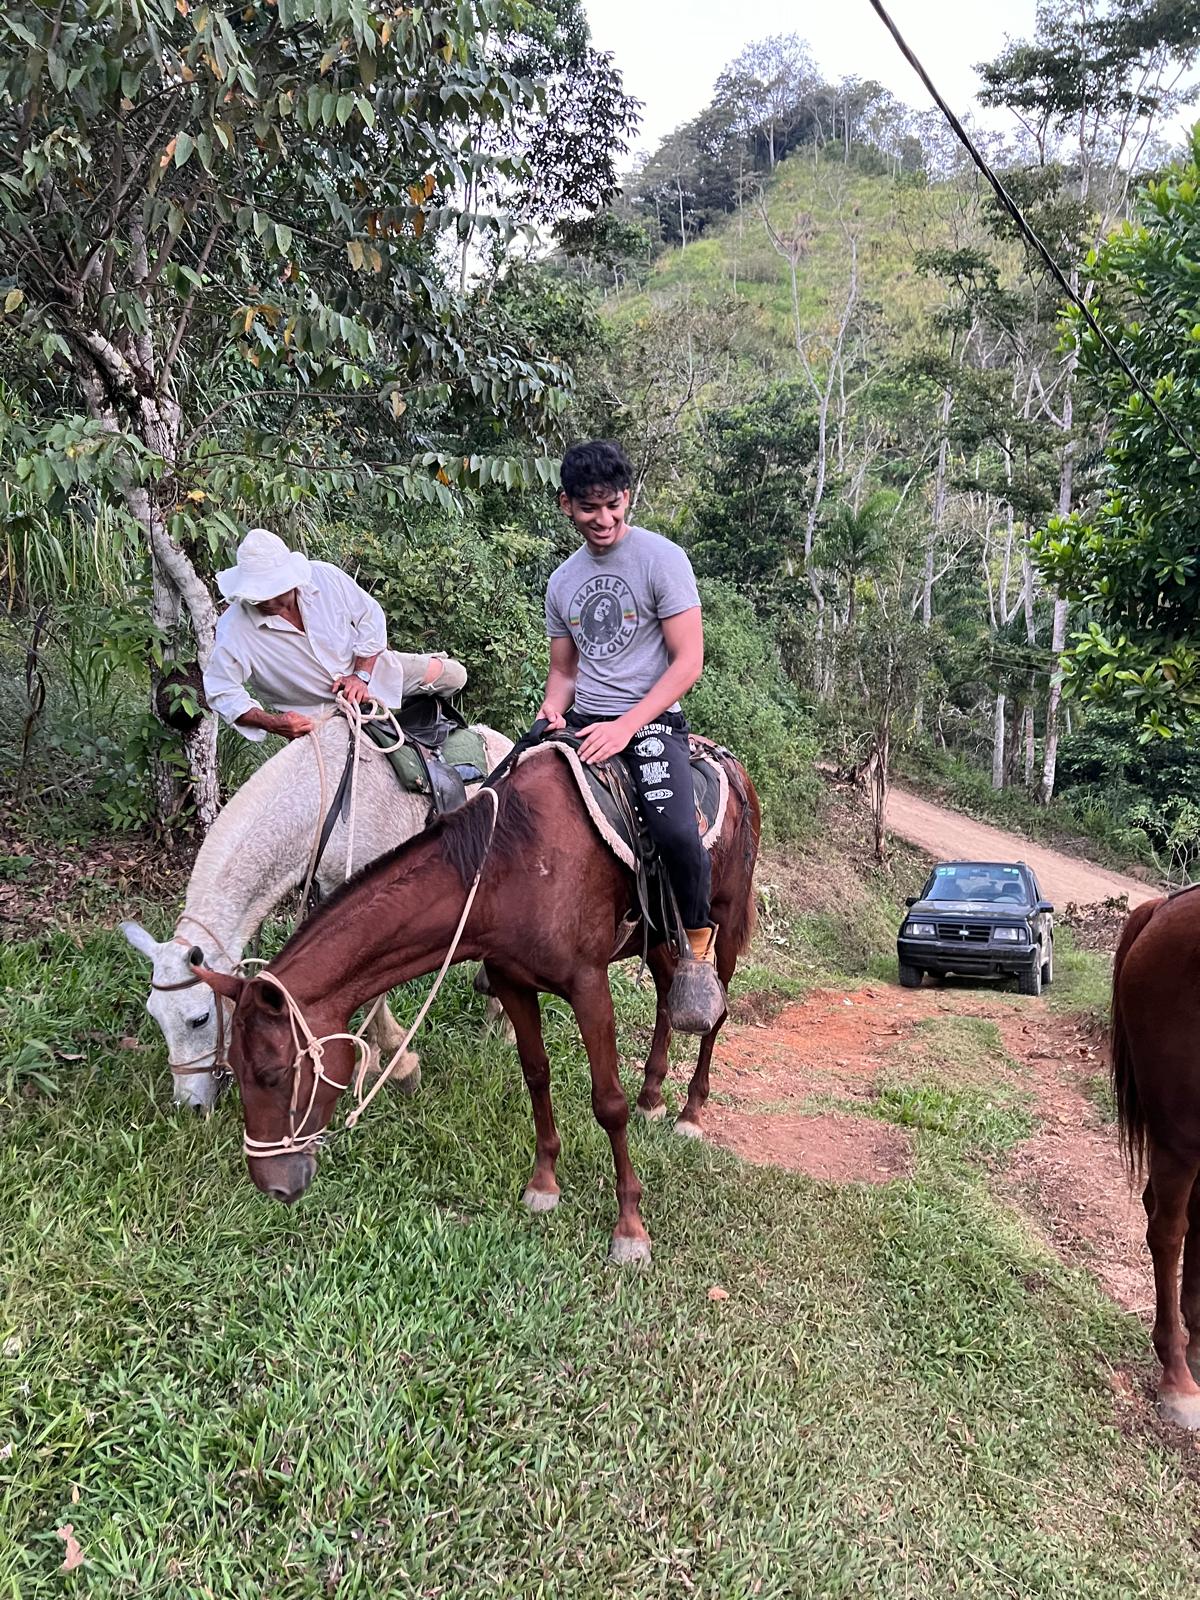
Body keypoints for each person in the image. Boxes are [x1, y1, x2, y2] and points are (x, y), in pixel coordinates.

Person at [538, 439, 723, 1030]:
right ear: (567, 505)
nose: (605, 520)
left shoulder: (661, 560)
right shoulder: (563, 583)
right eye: (590, 507)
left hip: (649, 724)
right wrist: (549, 714)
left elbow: (687, 660)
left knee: (673, 828)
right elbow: (564, 672)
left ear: (628, 497)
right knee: (513, 802)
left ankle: (696, 949)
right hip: (587, 722)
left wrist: (625, 727)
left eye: (614, 505)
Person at [203, 528, 466, 742]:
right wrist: (273, 723)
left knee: (454, 675)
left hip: (373, 675)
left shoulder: (324, 577)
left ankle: (408, 725)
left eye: (274, 590)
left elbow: (370, 616)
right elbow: (222, 690)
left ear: (291, 580)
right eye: (259, 594)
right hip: (316, 717)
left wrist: (361, 674)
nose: (268, 600)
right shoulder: (235, 628)